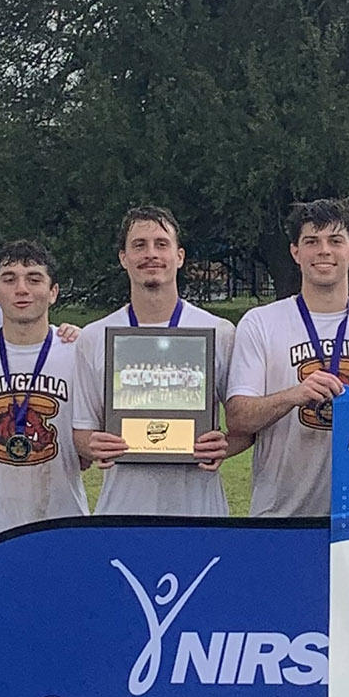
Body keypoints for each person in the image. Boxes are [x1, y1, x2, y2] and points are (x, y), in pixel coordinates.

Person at [226, 199, 349, 516]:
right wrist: (294, 395)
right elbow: (239, 418)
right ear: (296, 252)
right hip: (280, 514)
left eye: (335, 241)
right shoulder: (261, 323)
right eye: (312, 241)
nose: (323, 251)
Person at [73, 206, 246, 512]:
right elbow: (82, 430)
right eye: (139, 245)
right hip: (124, 509)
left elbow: (243, 426)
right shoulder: (94, 337)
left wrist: (224, 446)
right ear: (123, 258)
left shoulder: (220, 333)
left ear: (179, 256)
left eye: (161, 244)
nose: (150, 254)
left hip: (199, 509)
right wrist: (93, 445)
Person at [0, 240, 90, 540]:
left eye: (34, 278)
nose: (21, 289)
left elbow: (90, 443)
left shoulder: (79, 351)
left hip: (64, 522)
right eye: (9, 278)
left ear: (53, 292)